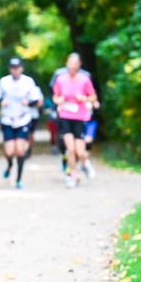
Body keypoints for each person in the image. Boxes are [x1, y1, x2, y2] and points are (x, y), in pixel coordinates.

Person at [0, 58, 42, 190]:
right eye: (13, 68)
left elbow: (37, 100)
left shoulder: (28, 81)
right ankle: (9, 165)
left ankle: (19, 179)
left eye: (17, 67)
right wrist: (1, 102)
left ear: (21, 68)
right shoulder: (4, 81)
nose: (15, 70)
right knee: (9, 151)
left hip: (23, 118)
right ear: (10, 69)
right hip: (7, 119)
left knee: (20, 150)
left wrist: (29, 103)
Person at [52, 52, 98, 188]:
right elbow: (55, 96)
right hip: (65, 116)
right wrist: (59, 100)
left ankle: (84, 163)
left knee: (81, 152)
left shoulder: (84, 79)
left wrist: (84, 99)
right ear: (66, 64)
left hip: (80, 117)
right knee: (70, 150)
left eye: (74, 66)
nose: (71, 68)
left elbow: (93, 97)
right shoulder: (60, 79)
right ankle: (73, 175)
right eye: (69, 65)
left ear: (79, 65)